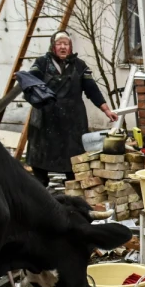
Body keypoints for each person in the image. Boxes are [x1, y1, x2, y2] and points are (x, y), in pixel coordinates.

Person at [25, 31, 117, 186]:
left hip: (72, 119)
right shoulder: (41, 63)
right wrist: (22, 77)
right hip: (46, 118)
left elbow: (92, 89)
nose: (62, 47)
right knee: (41, 155)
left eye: (66, 44)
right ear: (53, 46)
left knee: (72, 156)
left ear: (70, 47)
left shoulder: (79, 66)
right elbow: (30, 80)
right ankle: (41, 184)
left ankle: (72, 184)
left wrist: (106, 110)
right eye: (59, 44)